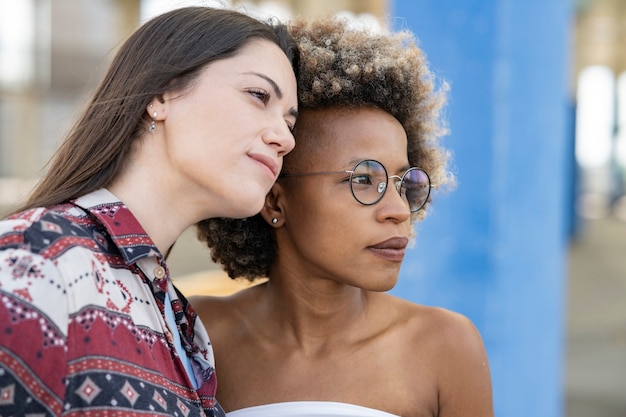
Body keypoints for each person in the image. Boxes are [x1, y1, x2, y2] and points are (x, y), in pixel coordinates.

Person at [0, 6, 298, 417]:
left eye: (290, 121)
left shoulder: (180, 322)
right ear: (162, 94)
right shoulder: (37, 259)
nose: (284, 138)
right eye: (259, 96)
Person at [192, 16, 494, 417]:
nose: (399, 211)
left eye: (405, 183)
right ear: (275, 202)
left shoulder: (445, 347)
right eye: (364, 180)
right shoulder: (199, 337)